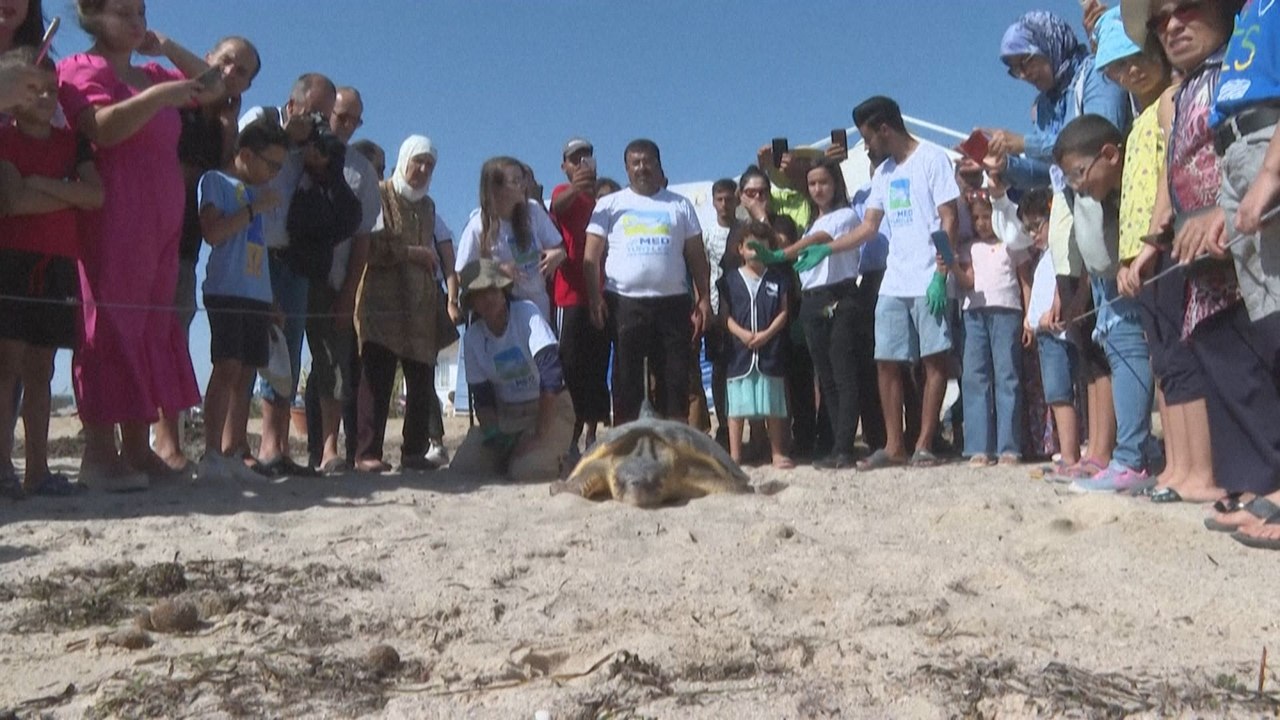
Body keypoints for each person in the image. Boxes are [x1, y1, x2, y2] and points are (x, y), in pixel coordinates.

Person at [1123, 0, 1280, 518]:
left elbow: (1227, 157)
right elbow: (1176, 169)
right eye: (1158, 20)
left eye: (1186, 9)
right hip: (1194, 245)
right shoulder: (1189, 87)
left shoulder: (1234, 70)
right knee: (1214, 354)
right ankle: (1249, 478)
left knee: (1250, 353)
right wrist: (1153, 240)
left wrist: (1222, 211)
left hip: (1232, 234)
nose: (1171, 26)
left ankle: (1268, 478)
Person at [59, 0, 212, 491]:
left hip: (162, 221)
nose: (135, 21)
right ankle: (99, 454)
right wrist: (160, 97)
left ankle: (138, 448)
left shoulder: (151, 71)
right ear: (91, 14)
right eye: (122, 11)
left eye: (140, 12)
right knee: (107, 324)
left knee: (148, 327)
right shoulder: (80, 67)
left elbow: (213, 87)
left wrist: (165, 47)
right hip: (114, 214)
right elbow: (101, 127)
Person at [793, 96, 960, 469]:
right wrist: (829, 249)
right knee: (886, 360)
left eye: (868, 138)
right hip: (894, 279)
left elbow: (949, 219)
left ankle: (925, 443)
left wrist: (942, 272)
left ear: (885, 129)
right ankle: (894, 444)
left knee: (933, 361)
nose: (865, 145)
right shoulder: (884, 173)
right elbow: (869, 227)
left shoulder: (933, 159)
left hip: (929, 276)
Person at [155, 35, 261, 474]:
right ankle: (160, 441)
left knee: (173, 332)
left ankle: (165, 440)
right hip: (147, 227)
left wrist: (229, 129)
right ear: (209, 56)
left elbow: (215, 180)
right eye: (228, 63)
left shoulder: (217, 120)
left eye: (243, 73)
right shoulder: (167, 91)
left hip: (184, 241)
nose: (231, 74)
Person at [0, 48, 101, 497]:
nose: (43, 97)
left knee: (42, 369)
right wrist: (67, 192)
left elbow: (96, 196)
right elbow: (13, 202)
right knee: (6, 367)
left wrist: (40, 184)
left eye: (50, 88)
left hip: (59, 261)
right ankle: (3, 468)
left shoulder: (70, 142)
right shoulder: (4, 137)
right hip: (12, 258)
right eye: (32, 89)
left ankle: (37, 471)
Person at [237, 72, 336, 478]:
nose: (318, 123)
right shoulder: (262, 118)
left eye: (324, 117)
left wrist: (318, 158)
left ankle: (274, 447)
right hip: (249, 250)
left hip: (293, 257)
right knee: (244, 350)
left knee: (286, 357)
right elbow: (239, 157)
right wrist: (284, 132)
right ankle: (233, 445)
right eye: (314, 114)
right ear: (292, 105)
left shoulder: (312, 147)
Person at [583, 138, 712, 424]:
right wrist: (594, 297)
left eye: (647, 161)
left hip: (672, 302)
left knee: (674, 374)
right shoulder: (609, 204)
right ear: (627, 168)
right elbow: (591, 255)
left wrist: (703, 298)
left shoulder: (680, 205)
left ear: (658, 164)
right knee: (626, 376)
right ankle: (627, 439)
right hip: (624, 301)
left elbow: (697, 256)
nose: (642, 168)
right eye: (635, 163)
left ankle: (674, 440)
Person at [194, 120, 288, 483]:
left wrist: (271, 298)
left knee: (247, 372)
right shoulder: (216, 182)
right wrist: (253, 208)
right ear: (246, 154)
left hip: (256, 293)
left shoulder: (257, 192)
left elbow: (259, 251)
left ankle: (234, 451)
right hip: (226, 288)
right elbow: (214, 233)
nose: (274, 173)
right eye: (271, 164)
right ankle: (211, 452)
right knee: (227, 367)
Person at [355, 135, 454, 473]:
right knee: (377, 378)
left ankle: (413, 451)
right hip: (383, 301)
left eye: (430, 165)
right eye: (418, 162)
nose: (423, 169)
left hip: (420, 305)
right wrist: (412, 253)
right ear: (404, 160)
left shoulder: (427, 206)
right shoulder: (380, 194)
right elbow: (372, 247)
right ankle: (367, 452)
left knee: (421, 378)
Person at [758, 158, 863, 469]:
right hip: (813, 299)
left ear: (836, 184)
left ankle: (844, 447)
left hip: (839, 295)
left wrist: (782, 253)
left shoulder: (845, 216)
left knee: (843, 373)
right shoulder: (811, 221)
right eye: (813, 183)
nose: (818, 189)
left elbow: (821, 241)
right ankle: (833, 443)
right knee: (826, 377)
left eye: (824, 182)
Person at [301, 86, 379, 475]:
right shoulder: (294, 153)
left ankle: (330, 449)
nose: (346, 125)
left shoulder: (361, 170)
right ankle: (273, 445)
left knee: (334, 366)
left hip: (335, 276)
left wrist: (349, 292)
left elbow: (363, 239)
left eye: (354, 120)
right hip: (291, 267)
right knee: (275, 359)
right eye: (341, 116)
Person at [450, 259, 574, 482]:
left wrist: (539, 434)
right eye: (480, 293)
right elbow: (483, 398)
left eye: (492, 289)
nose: (488, 297)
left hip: (548, 410)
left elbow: (552, 376)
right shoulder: (473, 338)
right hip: (507, 416)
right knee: (465, 465)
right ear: (472, 302)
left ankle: (565, 458)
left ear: (502, 290)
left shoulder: (527, 313)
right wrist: (494, 436)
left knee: (526, 470)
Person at [1212, 1, 1280, 361]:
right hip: (1234, 151)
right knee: (1269, 326)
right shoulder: (1244, 12)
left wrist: (1270, 173)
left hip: (1268, 141)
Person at [954, 190, 1027, 466]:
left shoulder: (1011, 244)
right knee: (975, 377)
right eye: (977, 218)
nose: (982, 223)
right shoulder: (968, 248)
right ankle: (979, 446)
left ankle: (1009, 446)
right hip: (974, 313)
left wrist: (1028, 315)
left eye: (987, 217)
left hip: (1007, 311)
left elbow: (1024, 280)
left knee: (1007, 376)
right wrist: (952, 265)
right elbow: (968, 281)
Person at [550, 137, 611, 462]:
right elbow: (556, 209)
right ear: (565, 166)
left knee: (596, 366)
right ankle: (569, 436)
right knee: (570, 365)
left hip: (599, 293)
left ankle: (591, 434)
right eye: (575, 159)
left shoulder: (602, 202)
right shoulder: (564, 193)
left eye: (587, 156)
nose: (582, 162)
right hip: (570, 295)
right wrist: (576, 186)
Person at [1018, 189, 1083, 474]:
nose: (1033, 234)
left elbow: (1061, 285)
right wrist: (1030, 321)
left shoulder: (1059, 251)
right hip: (1044, 334)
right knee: (1055, 396)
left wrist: (1051, 314)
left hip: (1056, 334)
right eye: (1028, 229)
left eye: (1037, 226)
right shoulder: (1044, 257)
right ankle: (1068, 451)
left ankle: (1070, 454)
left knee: (1060, 394)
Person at [455, 156, 565, 320]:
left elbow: (559, 247)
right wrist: (496, 271)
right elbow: (461, 274)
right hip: (500, 314)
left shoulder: (533, 211)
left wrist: (558, 254)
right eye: (515, 181)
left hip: (537, 308)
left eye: (523, 179)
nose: (523, 185)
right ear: (495, 189)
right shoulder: (478, 226)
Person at [723, 220, 793, 469]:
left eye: (762, 246)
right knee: (737, 408)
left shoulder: (778, 279)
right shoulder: (729, 280)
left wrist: (767, 334)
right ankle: (735, 455)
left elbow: (784, 312)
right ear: (740, 249)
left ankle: (777, 452)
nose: (755, 251)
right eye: (750, 246)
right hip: (740, 353)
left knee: (773, 406)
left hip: (769, 351)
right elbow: (725, 316)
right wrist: (742, 334)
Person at [703, 178, 739, 446]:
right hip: (715, 308)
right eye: (720, 199)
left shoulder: (745, 230)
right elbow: (701, 272)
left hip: (744, 308)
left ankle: (747, 426)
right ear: (714, 201)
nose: (725, 204)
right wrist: (701, 303)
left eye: (729, 198)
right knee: (719, 369)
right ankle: (725, 425)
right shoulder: (706, 233)